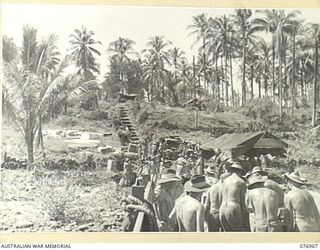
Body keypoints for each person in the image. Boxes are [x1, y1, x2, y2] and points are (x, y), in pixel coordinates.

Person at [246, 166, 288, 231]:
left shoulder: (251, 193)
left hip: (259, 223)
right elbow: (282, 206)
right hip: (274, 223)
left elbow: (249, 209)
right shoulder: (275, 190)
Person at [219, 162, 250, 231]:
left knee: (228, 232)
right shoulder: (241, 182)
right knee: (239, 231)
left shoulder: (225, 181)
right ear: (240, 172)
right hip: (233, 207)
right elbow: (242, 201)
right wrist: (244, 215)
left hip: (222, 207)